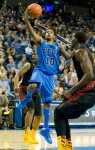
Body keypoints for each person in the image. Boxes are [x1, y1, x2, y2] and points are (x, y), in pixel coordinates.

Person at [17, 9, 71, 144]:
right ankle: (26, 98)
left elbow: (69, 57)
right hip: (40, 71)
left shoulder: (58, 46)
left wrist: (73, 49)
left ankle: (45, 129)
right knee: (32, 85)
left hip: (50, 76)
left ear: (54, 36)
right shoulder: (41, 41)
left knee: (47, 103)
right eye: (47, 31)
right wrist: (26, 20)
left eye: (51, 32)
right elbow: (31, 32)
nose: (48, 32)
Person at [54, 31, 95, 150]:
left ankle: (64, 148)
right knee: (63, 112)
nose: (70, 39)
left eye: (72, 37)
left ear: (76, 40)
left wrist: (71, 91)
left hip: (90, 88)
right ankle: (67, 147)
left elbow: (89, 75)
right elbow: (69, 56)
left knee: (58, 112)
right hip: (91, 90)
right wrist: (61, 48)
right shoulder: (80, 52)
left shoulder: (81, 51)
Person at [14, 59, 42, 144]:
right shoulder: (28, 65)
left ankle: (33, 135)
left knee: (39, 115)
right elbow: (17, 75)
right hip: (25, 89)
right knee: (31, 109)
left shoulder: (42, 69)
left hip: (36, 91)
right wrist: (16, 87)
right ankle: (26, 135)